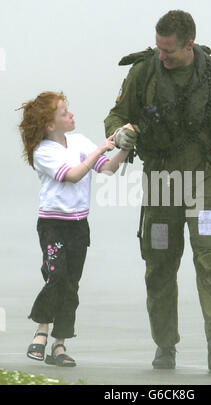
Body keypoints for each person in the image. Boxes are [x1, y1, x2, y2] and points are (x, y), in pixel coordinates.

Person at [104, 10, 211, 372]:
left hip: (205, 182)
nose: (161, 56)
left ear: (189, 44)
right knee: (160, 265)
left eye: (168, 50)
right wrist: (118, 133)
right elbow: (117, 114)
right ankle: (165, 345)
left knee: (209, 259)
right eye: (158, 48)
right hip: (162, 183)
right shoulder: (144, 72)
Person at [19, 91, 129, 367]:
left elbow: (107, 170)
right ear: (49, 125)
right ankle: (41, 330)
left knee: (71, 285)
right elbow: (74, 174)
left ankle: (59, 345)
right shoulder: (43, 151)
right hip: (53, 226)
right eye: (64, 112)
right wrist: (102, 147)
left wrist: (125, 146)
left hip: (79, 227)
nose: (71, 115)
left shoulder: (80, 141)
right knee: (56, 277)